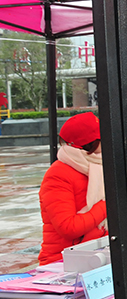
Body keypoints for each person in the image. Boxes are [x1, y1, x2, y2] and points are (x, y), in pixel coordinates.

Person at [38, 112, 107, 266]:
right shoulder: (58, 175)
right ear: (90, 143)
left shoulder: (99, 166)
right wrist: (107, 206)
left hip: (96, 254)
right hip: (63, 262)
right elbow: (69, 227)